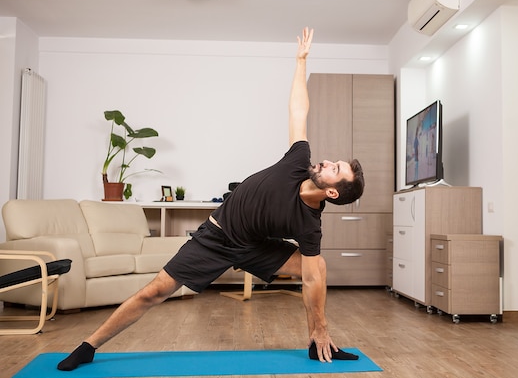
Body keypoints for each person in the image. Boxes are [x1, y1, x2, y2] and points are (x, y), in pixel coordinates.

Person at [57, 27, 365, 371]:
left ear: (333, 191)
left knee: (316, 266)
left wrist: (321, 325)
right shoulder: (298, 160)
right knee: (154, 291)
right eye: (332, 161)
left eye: (334, 167)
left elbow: (310, 278)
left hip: (253, 246)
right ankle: (89, 345)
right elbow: (298, 111)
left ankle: (316, 340)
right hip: (216, 238)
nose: (327, 161)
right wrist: (300, 61)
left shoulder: (309, 225)